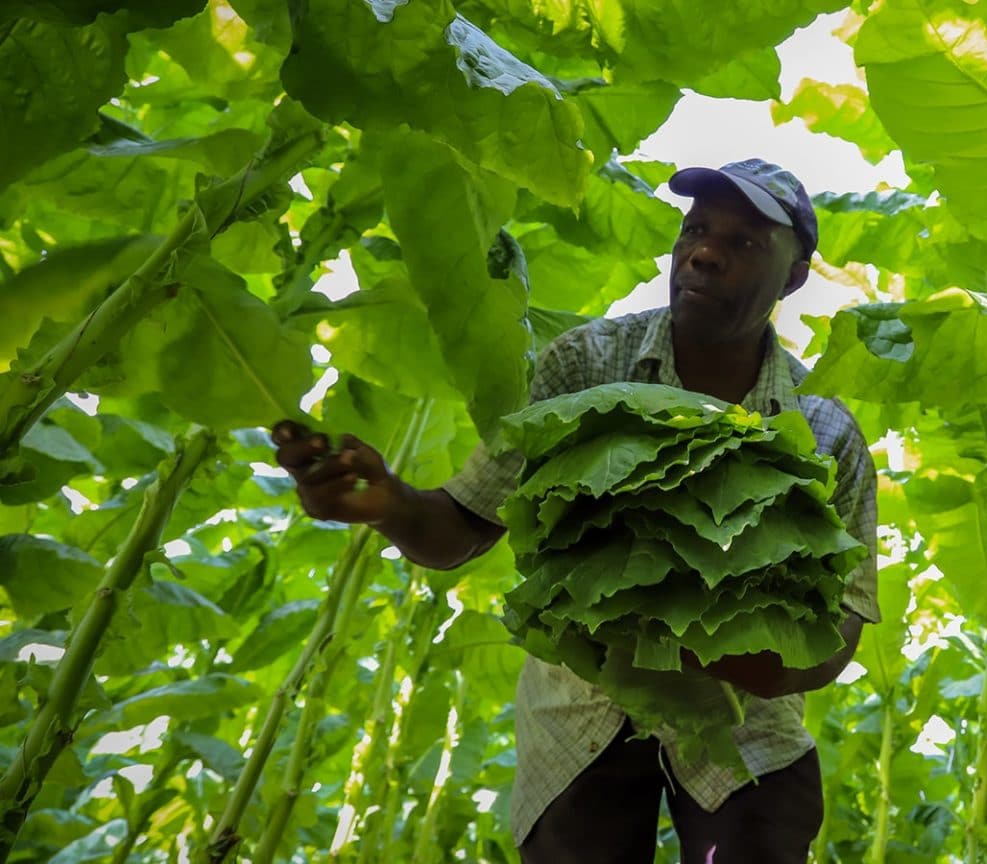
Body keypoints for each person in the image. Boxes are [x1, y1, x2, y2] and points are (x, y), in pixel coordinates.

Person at [270, 159, 881, 863]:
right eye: (696, 230)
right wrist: (389, 505)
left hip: (748, 726)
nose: (705, 253)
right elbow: (461, 527)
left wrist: (753, 657)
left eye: (743, 242)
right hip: (582, 719)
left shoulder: (823, 429)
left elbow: (842, 622)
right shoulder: (588, 365)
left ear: (794, 277)